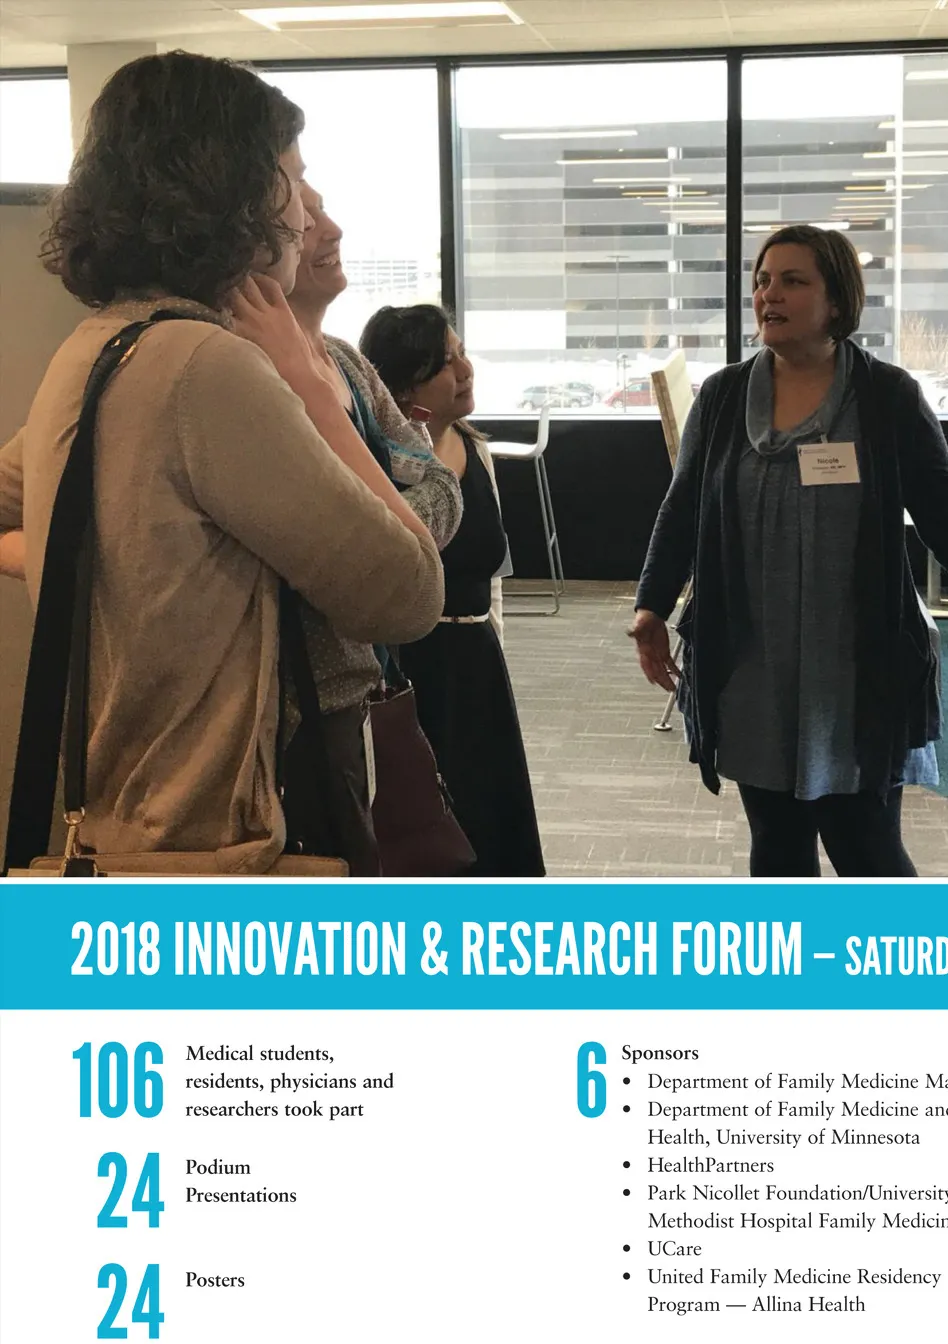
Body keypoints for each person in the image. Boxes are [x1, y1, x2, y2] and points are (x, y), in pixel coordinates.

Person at [0, 51, 443, 874]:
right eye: (292, 180)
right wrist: (313, 394)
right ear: (237, 192)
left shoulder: (99, 348)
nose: (303, 216)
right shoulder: (208, 368)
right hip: (218, 833)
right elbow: (409, 592)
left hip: (124, 812)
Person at [632, 223, 948, 879]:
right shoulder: (723, 397)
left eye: (793, 281)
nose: (769, 295)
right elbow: (682, 509)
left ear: (838, 301)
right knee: (776, 850)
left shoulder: (886, 397)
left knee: (868, 850)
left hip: (856, 670)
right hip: (752, 667)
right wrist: (651, 605)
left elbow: (946, 512)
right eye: (762, 281)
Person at [279, 179, 465, 872]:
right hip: (293, 713)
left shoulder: (348, 365)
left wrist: (388, 537)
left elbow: (442, 491)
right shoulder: (241, 373)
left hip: (368, 685)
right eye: (306, 217)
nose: (331, 230)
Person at [360, 305, 545, 876]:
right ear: (404, 382)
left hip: (478, 664)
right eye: (446, 362)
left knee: (491, 826)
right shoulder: (378, 464)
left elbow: (492, 576)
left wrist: (495, 644)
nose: (465, 370)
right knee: (424, 832)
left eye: (461, 353)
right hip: (412, 671)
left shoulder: (473, 447)